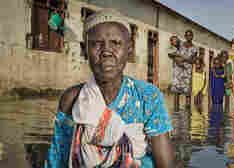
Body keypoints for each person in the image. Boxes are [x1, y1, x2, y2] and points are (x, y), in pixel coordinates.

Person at [45, 9, 175, 168]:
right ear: (86, 51)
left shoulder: (148, 96)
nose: (106, 51)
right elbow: (58, 160)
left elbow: (166, 164)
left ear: (129, 49)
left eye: (116, 43)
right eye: (96, 44)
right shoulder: (72, 98)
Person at [168, 30, 198, 112]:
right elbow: (170, 53)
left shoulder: (194, 49)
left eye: (190, 35)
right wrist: (176, 59)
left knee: (187, 93)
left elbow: (194, 61)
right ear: (185, 36)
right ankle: (176, 111)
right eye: (187, 35)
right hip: (177, 71)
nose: (189, 37)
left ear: (192, 37)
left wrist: (185, 59)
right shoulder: (180, 44)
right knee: (176, 92)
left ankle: (187, 112)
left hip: (187, 72)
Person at [209, 56, 225, 127]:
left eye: (218, 63)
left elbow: (224, 77)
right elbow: (210, 81)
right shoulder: (212, 71)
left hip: (220, 90)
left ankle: (220, 120)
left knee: (220, 105)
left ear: (220, 63)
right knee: (215, 105)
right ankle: (214, 121)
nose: (216, 65)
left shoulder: (223, 70)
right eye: (215, 63)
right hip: (214, 90)